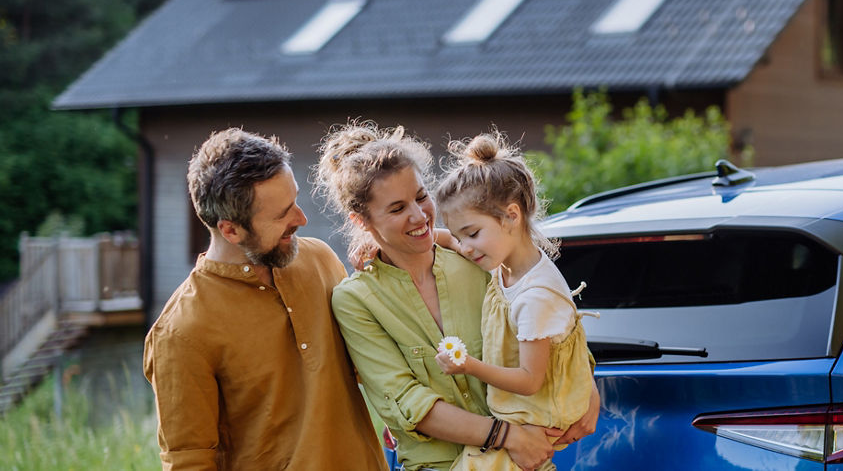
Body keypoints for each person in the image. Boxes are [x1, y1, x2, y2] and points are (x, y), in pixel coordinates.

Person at [313, 121, 598, 471]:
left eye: (421, 196)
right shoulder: (355, 301)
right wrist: (510, 436)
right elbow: (408, 403)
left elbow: (549, 325)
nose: (419, 216)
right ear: (361, 220)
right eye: (397, 208)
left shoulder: (478, 259)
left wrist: (590, 387)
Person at [142, 127, 385, 470]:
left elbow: (376, 368)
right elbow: (189, 460)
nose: (301, 219)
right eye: (281, 214)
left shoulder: (320, 260)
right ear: (230, 230)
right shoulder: (181, 333)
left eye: (295, 200)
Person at [430, 133, 595, 471]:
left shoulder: (535, 297)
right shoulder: (505, 260)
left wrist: (468, 365)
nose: (465, 248)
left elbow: (529, 379)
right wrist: (396, 241)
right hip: (522, 413)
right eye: (460, 237)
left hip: (539, 415)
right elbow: (449, 238)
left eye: (472, 234)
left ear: (511, 215)